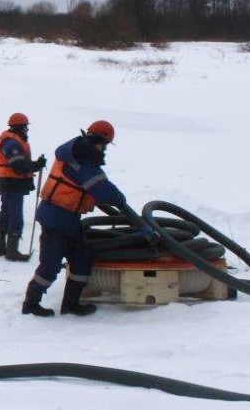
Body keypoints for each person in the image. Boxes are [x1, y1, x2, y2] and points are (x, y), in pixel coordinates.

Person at [21, 120, 159, 318]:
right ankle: (31, 304)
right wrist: (122, 203)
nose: (104, 150)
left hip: (68, 219)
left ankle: (71, 305)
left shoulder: (79, 154)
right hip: (56, 219)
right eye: (104, 145)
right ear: (99, 142)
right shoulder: (81, 162)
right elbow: (104, 191)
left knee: (82, 259)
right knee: (50, 265)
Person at [0, 113, 47, 261]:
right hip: (12, 184)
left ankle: (0, 248)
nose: (27, 131)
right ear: (21, 128)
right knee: (15, 218)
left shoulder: (10, 141)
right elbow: (18, 166)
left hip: (9, 183)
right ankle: (12, 252)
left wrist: (35, 164)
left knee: (5, 214)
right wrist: (37, 165)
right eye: (25, 128)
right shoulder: (11, 143)